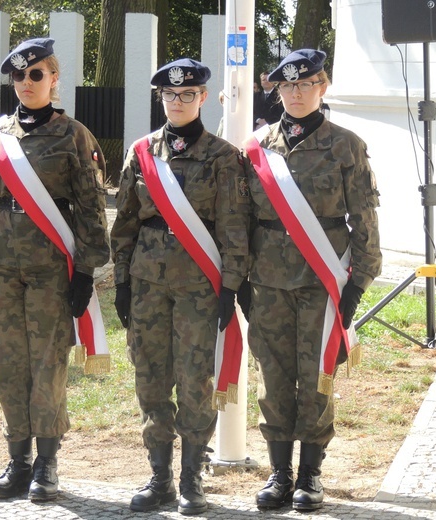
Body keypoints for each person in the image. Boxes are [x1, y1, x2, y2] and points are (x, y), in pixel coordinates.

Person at [0, 38, 110, 502]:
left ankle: (47, 463)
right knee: (8, 364)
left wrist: (85, 270)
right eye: (18, 76)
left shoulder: (73, 135)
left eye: (35, 74)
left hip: (48, 266)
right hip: (0, 261)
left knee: (47, 364)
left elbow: (90, 207)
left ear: (54, 78)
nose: (25, 83)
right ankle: (17, 460)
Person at [243, 49, 382, 511]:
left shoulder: (346, 145)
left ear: (322, 87)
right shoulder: (258, 146)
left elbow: (364, 220)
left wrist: (358, 284)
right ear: (277, 90)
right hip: (268, 279)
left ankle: (310, 474)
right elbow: (240, 217)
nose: (297, 93)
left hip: (323, 280)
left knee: (317, 375)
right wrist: (238, 277)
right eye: (288, 85)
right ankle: (279, 473)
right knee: (274, 377)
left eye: (306, 85)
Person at [111, 58, 250, 515]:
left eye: (187, 94)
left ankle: (192, 479)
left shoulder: (223, 157)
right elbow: (126, 223)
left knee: (194, 381)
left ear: (203, 97)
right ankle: (159, 478)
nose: (177, 101)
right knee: (151, 379)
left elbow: (233, 226)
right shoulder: (142, 152)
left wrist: (230, 286)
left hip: (198, 286)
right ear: (161, 98)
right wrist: (122, 282)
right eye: (170, 95)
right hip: (149, 283)